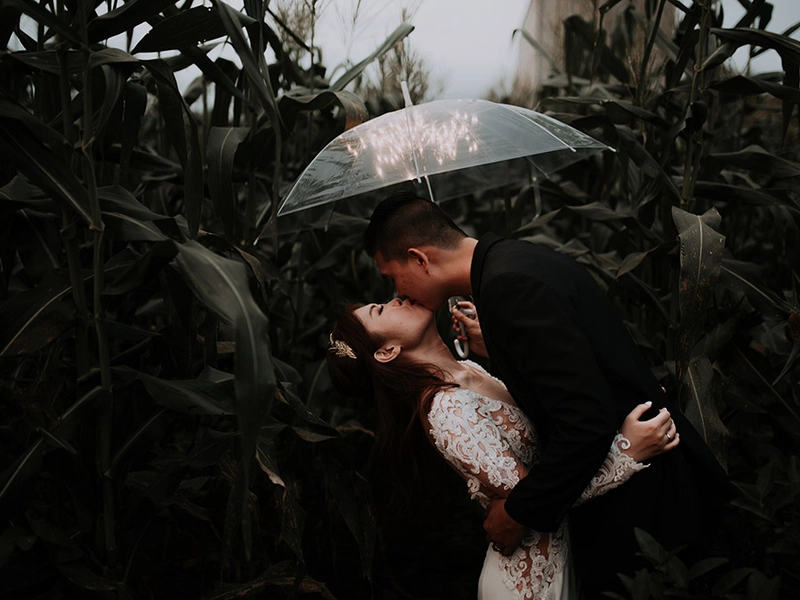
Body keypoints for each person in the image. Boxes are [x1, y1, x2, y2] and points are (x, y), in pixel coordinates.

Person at [361, 192, 734, 597]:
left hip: (646, 507)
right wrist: (500, 345)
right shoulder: (515, 261)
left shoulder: (509, 289)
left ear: (419, 258)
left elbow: (583, 422)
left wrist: (518, 512)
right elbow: (575, 369)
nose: (397, 291)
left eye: (391, 276)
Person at [327, 298, 679, 599]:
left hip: (558, 557)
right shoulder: (448, 411)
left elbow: (549, 429)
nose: (395, 300)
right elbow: (536, 500)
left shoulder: (466, 370)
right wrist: (626, 452)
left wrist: (494, 342)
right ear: (387, 351)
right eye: (380, 309)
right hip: (528, 583)